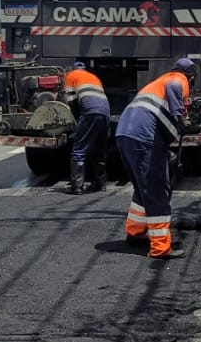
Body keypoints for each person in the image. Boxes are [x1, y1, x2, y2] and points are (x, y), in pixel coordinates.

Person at [116, 58, 193, 260]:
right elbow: (175, 86)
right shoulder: (178, 78)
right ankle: (160, 247)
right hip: (143, 138)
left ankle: (136, 232)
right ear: (190, 75)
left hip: (124, 135)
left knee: (144, 189)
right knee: (158, 190)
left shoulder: (155, 84)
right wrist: (180, 117)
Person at [63, 61, 110, 194]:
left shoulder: (70, 76)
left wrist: (78, 121)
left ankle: (77, 186)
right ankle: (101, 184)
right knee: (99, 150)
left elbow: (72, 101)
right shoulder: (94, 77)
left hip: (89, 113)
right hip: (105, 113)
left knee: (79, 149)